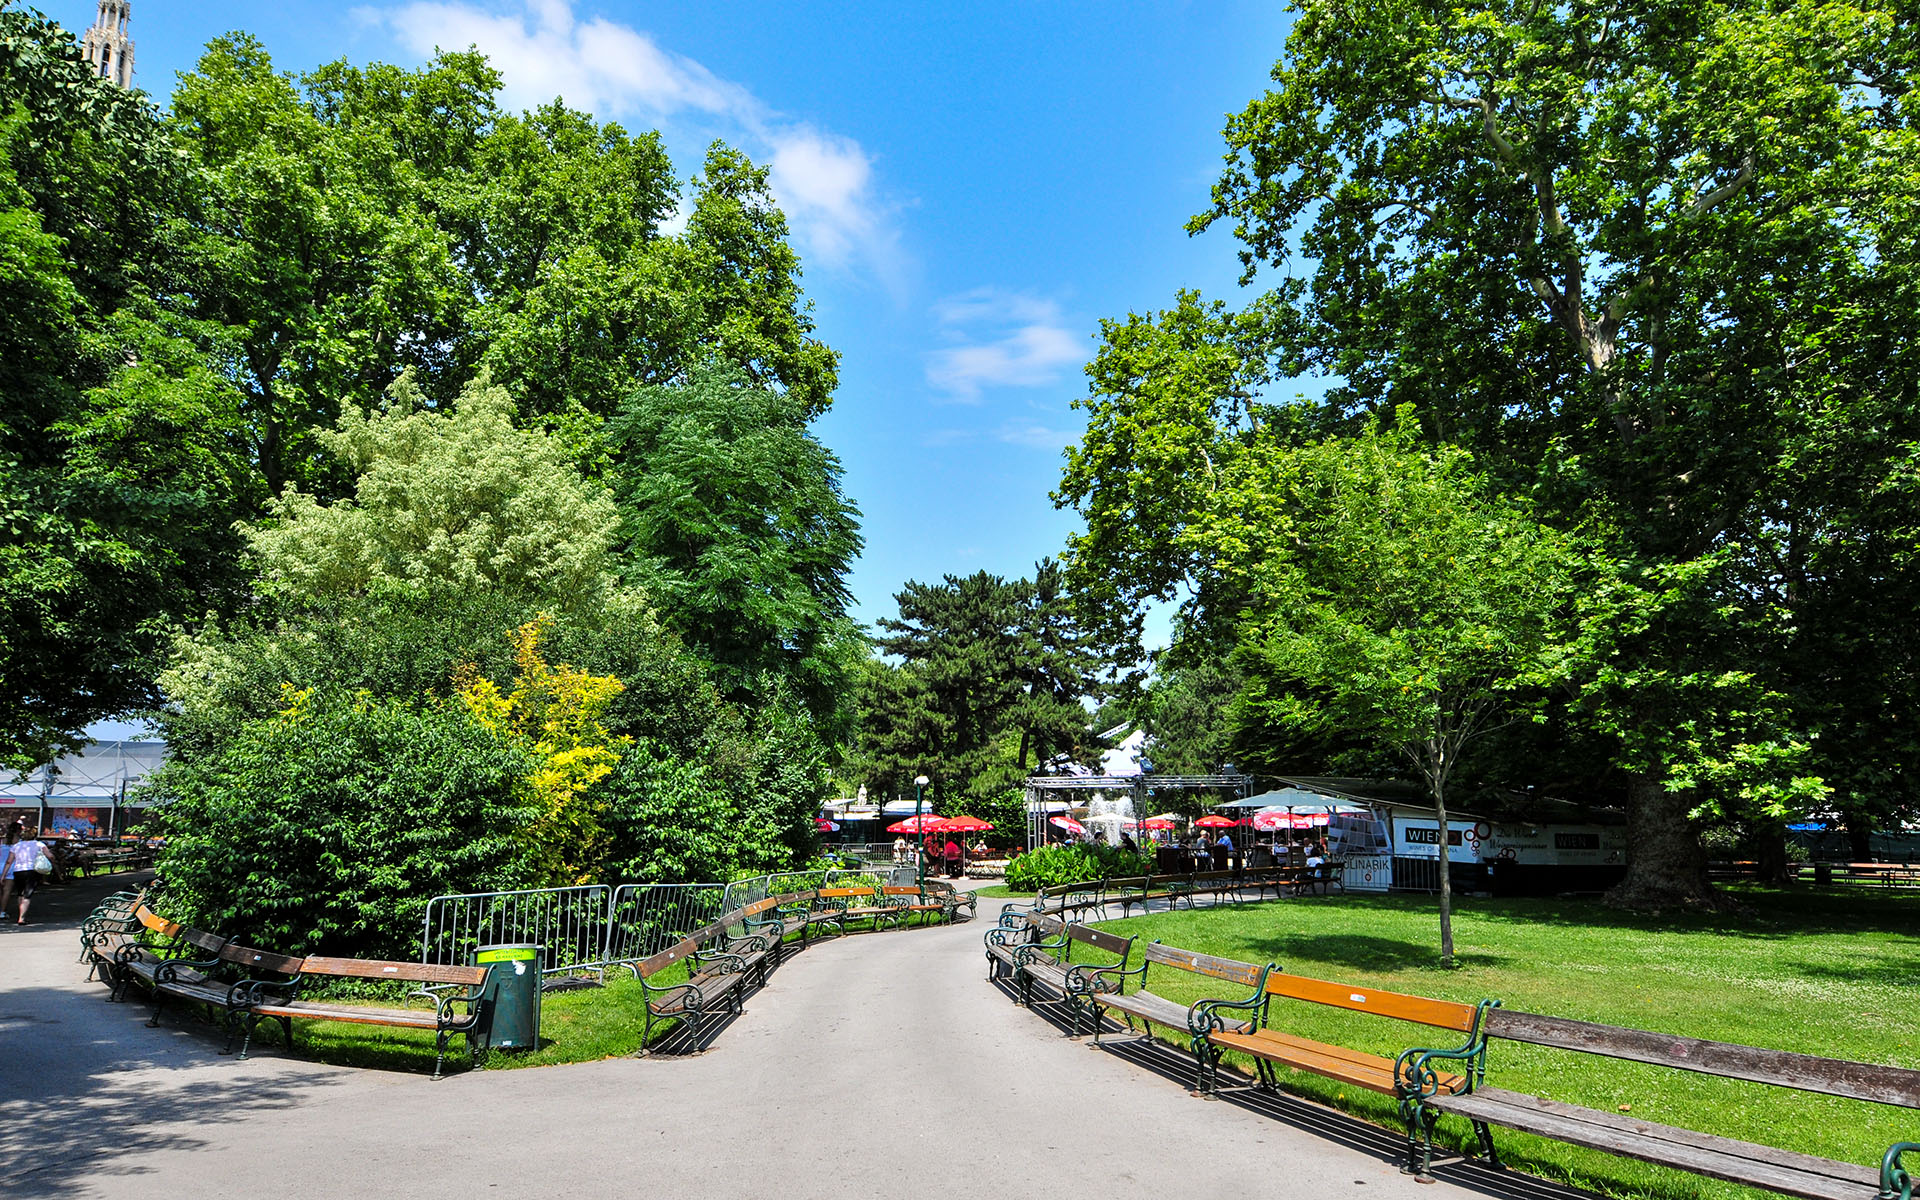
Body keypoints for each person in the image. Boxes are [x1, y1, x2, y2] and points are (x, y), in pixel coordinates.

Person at [2, 820, 46, 926]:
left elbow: (7, 858)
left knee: (11, 892)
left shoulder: (4, 840)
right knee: (9, 891)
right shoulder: (22, 842)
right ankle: (5, 912)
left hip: (7, 866)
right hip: (17, 867)